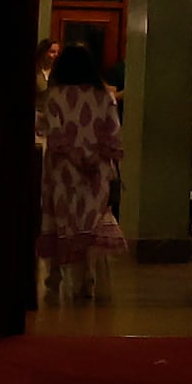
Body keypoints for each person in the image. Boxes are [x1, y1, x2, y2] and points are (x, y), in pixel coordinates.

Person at [36, 33, 123, 305]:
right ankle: (88, 277)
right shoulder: (104, 97)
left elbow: (54, 132)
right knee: (91, 224)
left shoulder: (55, 96)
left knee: (59, 220)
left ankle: (55, 275)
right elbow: (113, 134)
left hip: (62, 170)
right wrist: (94, 158)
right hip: (96, 170)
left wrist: (74, 156)